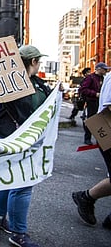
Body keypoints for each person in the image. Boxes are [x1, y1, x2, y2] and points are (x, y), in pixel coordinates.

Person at [0, 45, 52, 247]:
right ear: (33, 62)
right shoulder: (15, 82)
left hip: (10, 134)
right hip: (17, 137)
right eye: (39, 61)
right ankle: (18, 233)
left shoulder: (32, 83)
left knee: (7, 179)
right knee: (23, 184)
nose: (39, 64)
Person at [72, 70, 111, 230]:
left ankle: (86, 198)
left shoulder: (105, 77)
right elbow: (109, 107)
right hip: (105, 128)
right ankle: (86, 197)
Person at [78, 62, 109, 145]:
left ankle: (100, 139)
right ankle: (87, 138)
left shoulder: (104, 78)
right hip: (92, 102)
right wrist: (95, 94)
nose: (106, 70)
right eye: (104, 69)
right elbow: (83, 89)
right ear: (99, 69)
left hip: (100, 102)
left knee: (101, 122)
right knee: (91, 120)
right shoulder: (90, 78)